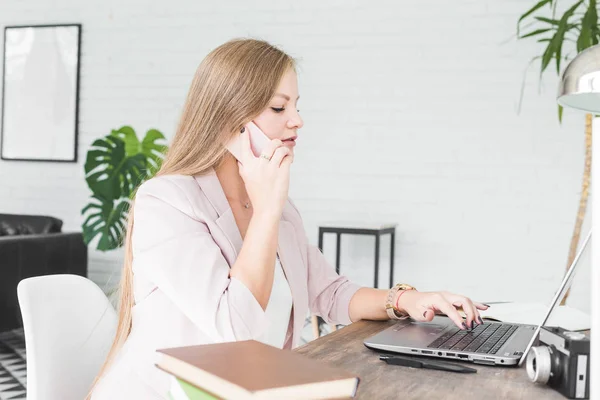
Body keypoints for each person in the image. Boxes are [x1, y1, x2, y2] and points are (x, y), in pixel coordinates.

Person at [89, 38, 488, 399]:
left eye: (297, 106)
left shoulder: (275, 205)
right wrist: (267, 209)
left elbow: (329, 292)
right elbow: (235, 323)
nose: (297, 120)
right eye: (279, 107)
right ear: (231, 118)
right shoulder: (167, 201)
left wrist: (408, 300)